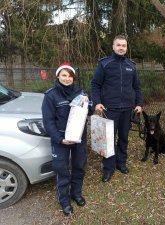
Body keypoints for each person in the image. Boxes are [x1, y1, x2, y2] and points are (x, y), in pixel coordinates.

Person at [90, 35, 143, 183]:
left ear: (126, 48)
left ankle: (121, 163)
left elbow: (137, 87)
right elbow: (95, 84)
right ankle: (108, 168)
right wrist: (97, 102)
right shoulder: (104, 64)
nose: (121, 48)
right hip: (109, 109)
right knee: (108, 140)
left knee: (124, 138)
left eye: (123, 45)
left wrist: (139, 104)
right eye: (118, 45)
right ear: (113, 47)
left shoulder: (131, 65)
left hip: (127, 109)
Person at [42, 62, 89, 216]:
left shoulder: (80, 92)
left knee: (79, 166)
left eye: (70, 76)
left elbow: (87, 111)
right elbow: (48, 121)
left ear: (73, 77)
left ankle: (76, 193)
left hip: (79, 137)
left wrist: (89, 102)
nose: (67, 78)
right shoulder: (50, 96)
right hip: (61, 140)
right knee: (62, 170)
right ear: (58, 76)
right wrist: (60, 139)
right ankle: (64, 200)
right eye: (64, 75)